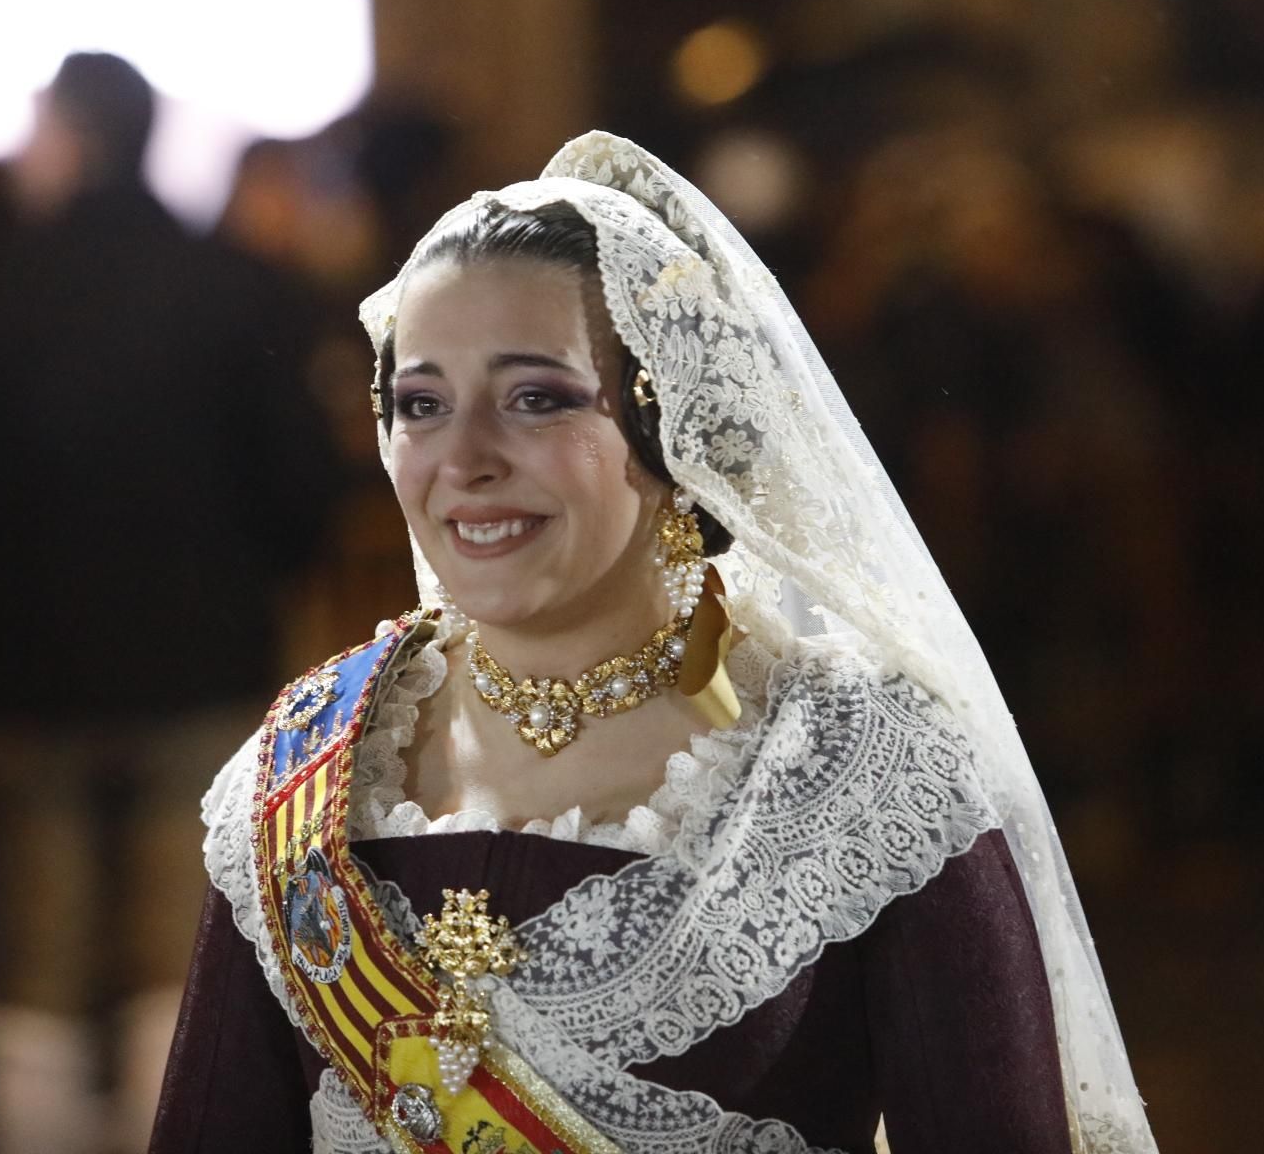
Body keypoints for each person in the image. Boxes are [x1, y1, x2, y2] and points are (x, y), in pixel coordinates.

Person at [150, 133, 1156, 1152]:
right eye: (420, 405)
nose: (464, 460)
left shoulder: (863, 766)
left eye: (535, 397)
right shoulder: (309, 770)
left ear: (668, 419)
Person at [0, 52, 334, 1154]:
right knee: (178, 951)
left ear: (75, 136)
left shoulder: (0, 285)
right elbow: (303, 486)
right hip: (206, 664)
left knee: (38, 958)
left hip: (36, 672)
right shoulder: (227, 282)